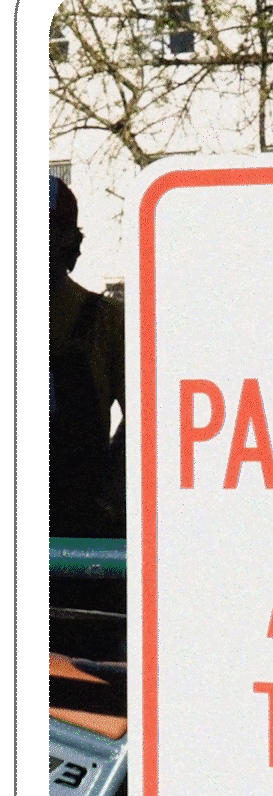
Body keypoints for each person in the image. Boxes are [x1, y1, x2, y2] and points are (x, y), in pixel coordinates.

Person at [49, 175, 125, 537]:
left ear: (69, 241)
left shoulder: (106, 320)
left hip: (81, 531)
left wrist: (108, 497)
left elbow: (144, 422)